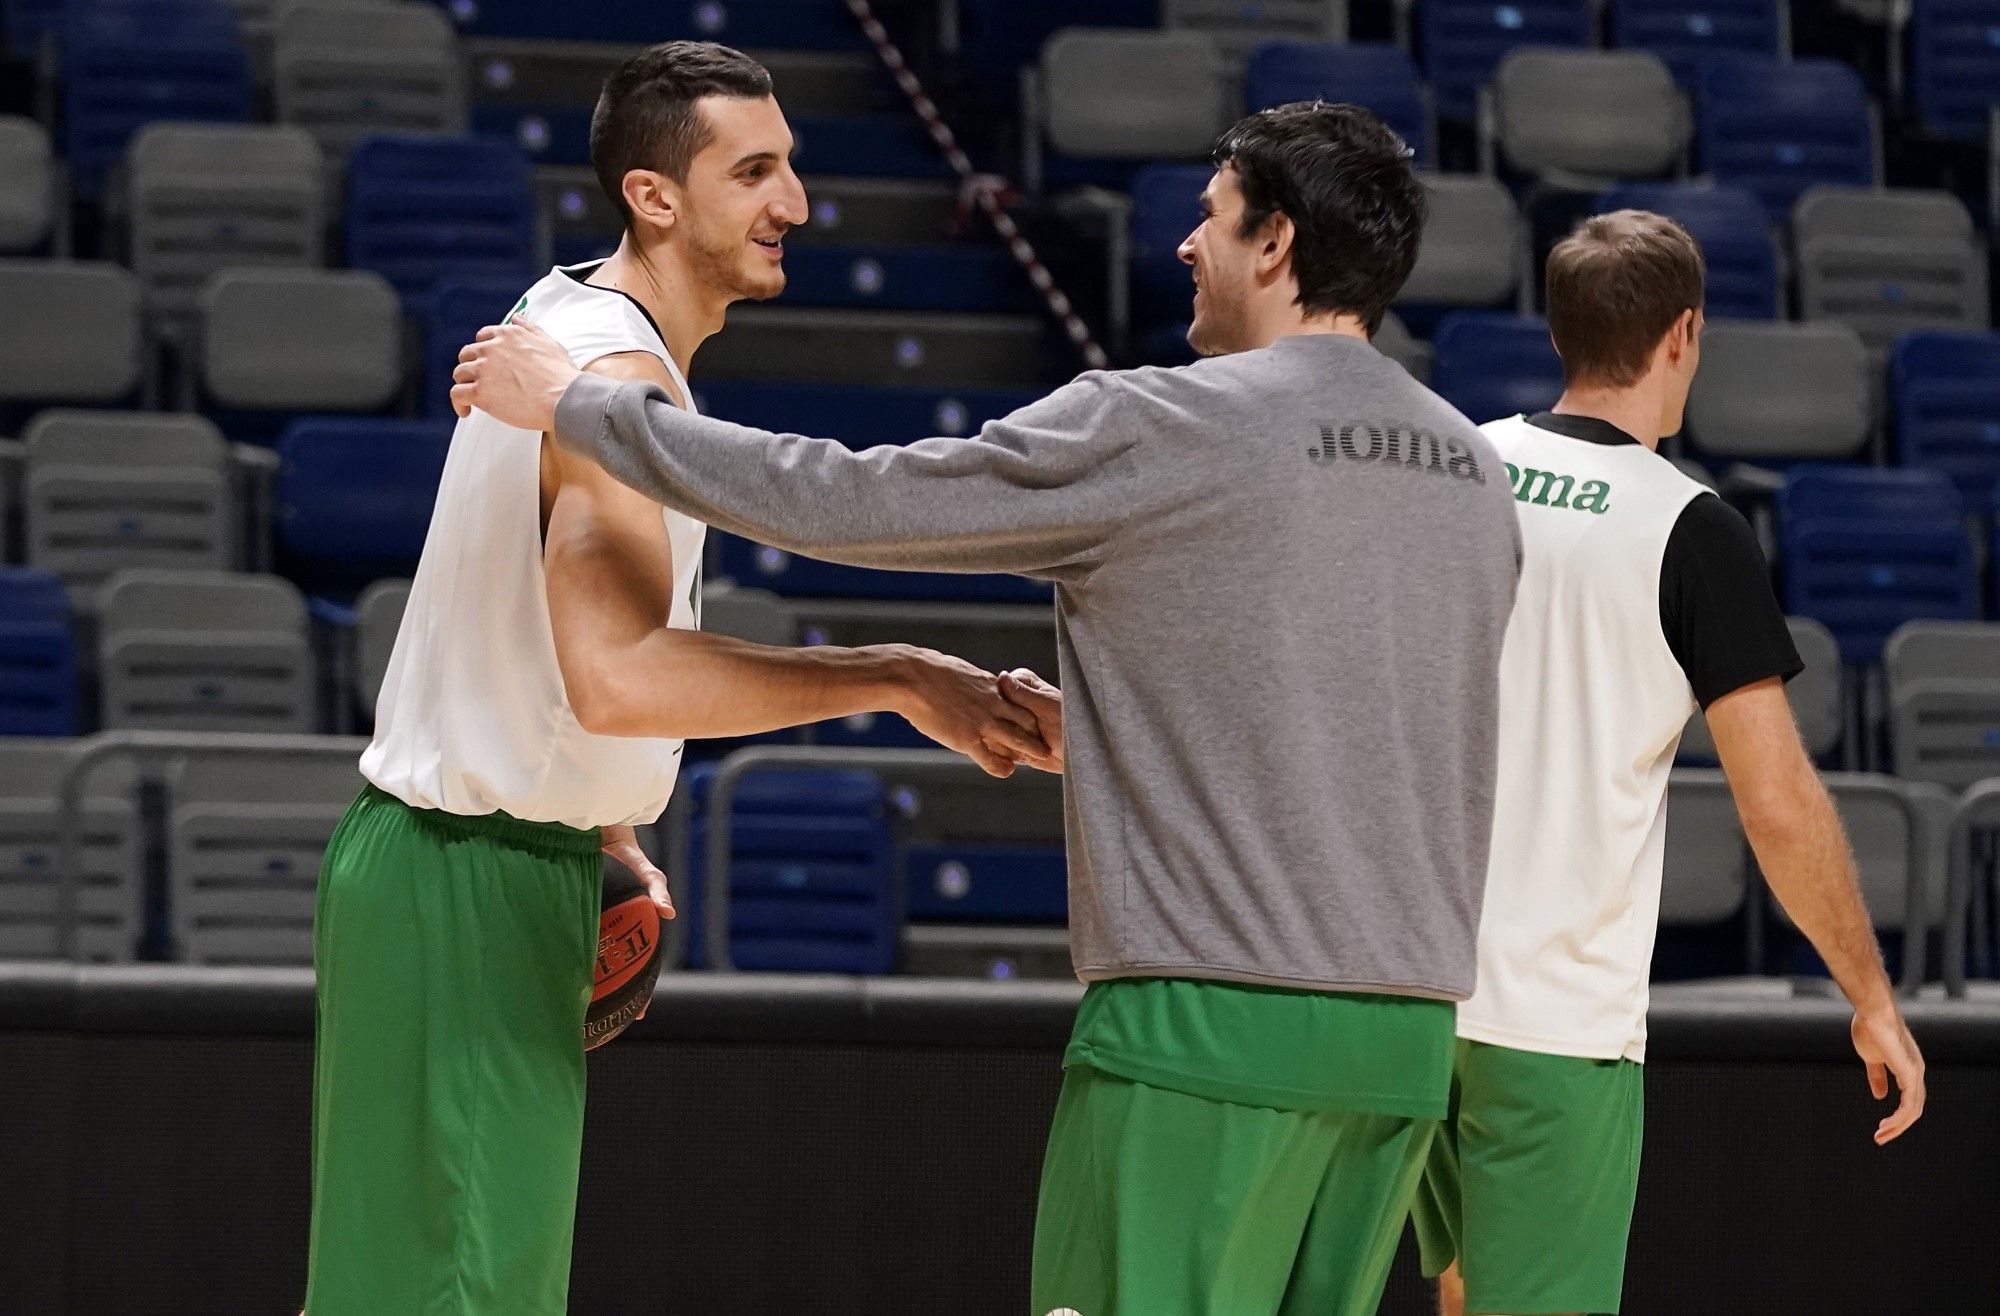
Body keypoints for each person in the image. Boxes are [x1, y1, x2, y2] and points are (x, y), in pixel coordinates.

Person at [452, 101, 1523, 1316]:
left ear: (1273, 243)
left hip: (1208, 1028)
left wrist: (585, 406)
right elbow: (1378, 728)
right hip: (1404, 1048)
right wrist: (1132, 738)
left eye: (1210, 216)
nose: (1183, 244)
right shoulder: (1471, 468)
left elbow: (849, 501)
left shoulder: (1162, 419)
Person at [304, 42, 1049, 1316]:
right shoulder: (615, 378)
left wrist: (600, 808)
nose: (796, 204)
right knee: (456, 1292)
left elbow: (526, 632)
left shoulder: (563, 319)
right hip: (468, 879)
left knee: (413, 1280)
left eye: (792, 167)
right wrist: (896, 674)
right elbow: (617, 675)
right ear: (655, 197)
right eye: (753, 171)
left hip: (454, 865)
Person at [1409, 210, 1927, 1316]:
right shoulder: (1688, 528)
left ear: (1559, 332)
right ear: (1682, 334)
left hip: (1400, 992)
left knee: (1454, 1290)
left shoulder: (1456, 468)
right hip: (1551, 1027)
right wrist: (1868, 993)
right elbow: (1778, 803)